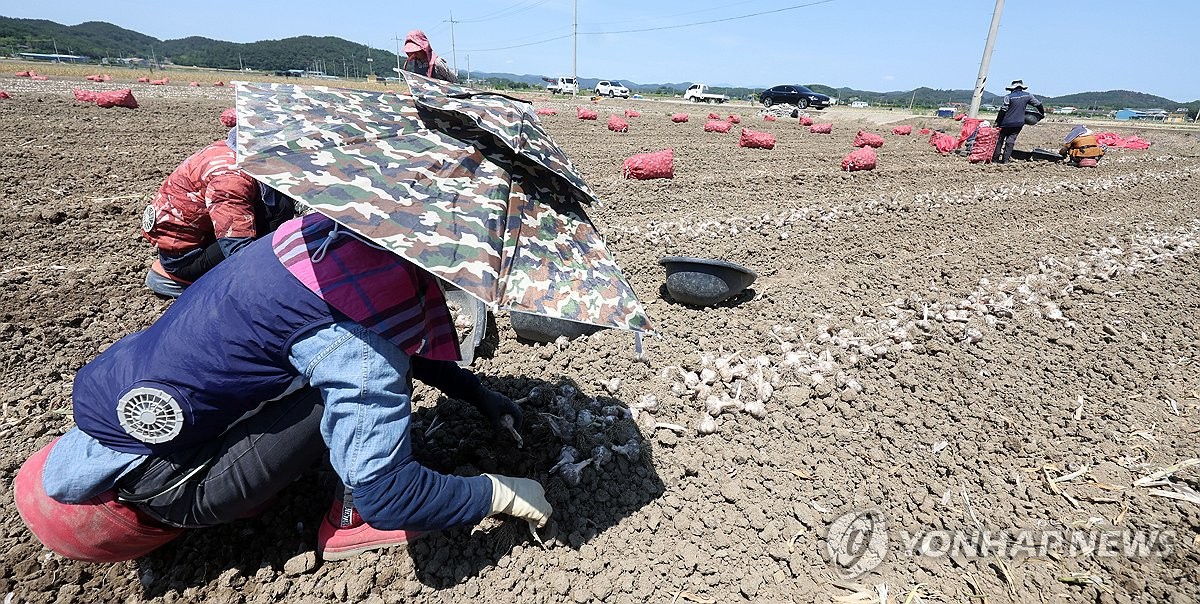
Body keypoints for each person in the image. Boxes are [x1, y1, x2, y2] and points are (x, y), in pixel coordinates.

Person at [14, 212, 551, 563]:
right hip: (167, 488)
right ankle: (346, 524)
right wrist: (498, 493)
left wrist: (478, 394)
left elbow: (366, 331)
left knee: (328, 370)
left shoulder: (310, 239)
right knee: (351, 410)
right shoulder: (363, 353)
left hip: (114, 423)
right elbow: (390, 493)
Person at [141, 127, 297, 298]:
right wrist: (263, 284)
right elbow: (237, 244)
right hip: (184, 259)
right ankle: (192, 279)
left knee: (273, 203)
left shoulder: (226, 149)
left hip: (180, 241)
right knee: (278, 208)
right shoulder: (231, 178)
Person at [992, 80, 1044, 164]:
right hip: (1018, 123)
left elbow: (1003, 110)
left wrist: (997, 122)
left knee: (1000, 140)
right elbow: (1038, 104)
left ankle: (995, 159)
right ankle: (1005, 160)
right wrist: (1042, 113)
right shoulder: (1028, 96)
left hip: (1006, 122)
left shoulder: (1008, 97)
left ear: (1012, 88)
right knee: (1011, 141)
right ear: (1021, 88)